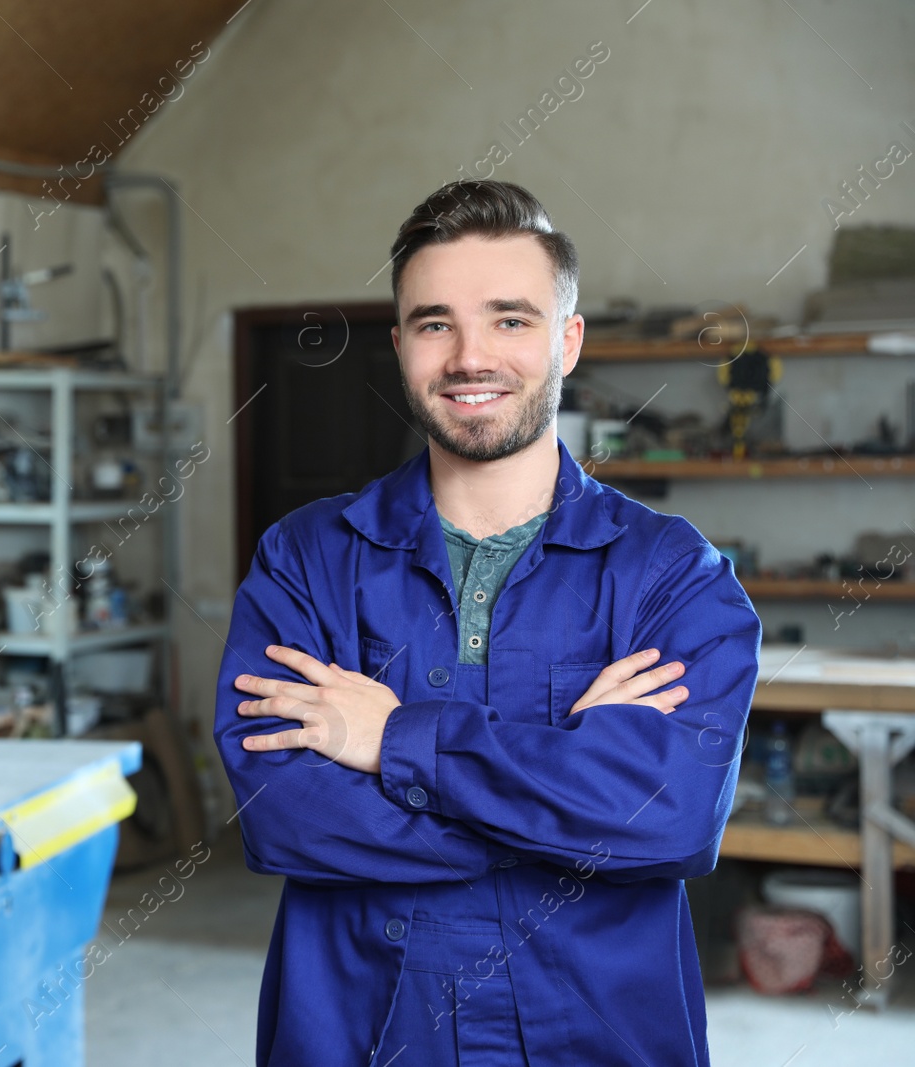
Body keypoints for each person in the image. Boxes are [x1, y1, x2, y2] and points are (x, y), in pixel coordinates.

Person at [214, 179, 762, 1066]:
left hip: (596, 1035)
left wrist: (394, 739)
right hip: (360, 1034)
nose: (471, 356)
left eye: (510, 319)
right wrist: (568, 789)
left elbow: (670, 820)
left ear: (567, 339)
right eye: (436, 323)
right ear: (400, 347)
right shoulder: (306, 559)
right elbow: (286, 816)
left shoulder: (671, 573)